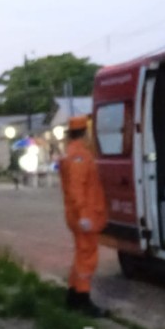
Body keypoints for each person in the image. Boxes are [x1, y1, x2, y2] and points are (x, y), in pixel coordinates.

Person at [58, 115, 108, 318]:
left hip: (79, 215)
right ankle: (83, 299)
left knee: (81, 256)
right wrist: (84, 216)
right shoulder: (79, 156)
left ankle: (73, 295)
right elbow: (77, 189)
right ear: (85, 132)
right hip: (84, 217)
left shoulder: (72, 153)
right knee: (87, 259)